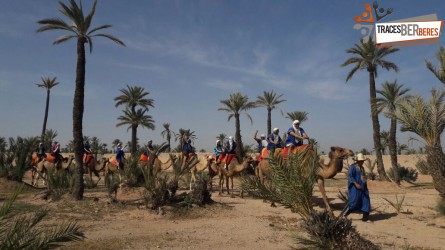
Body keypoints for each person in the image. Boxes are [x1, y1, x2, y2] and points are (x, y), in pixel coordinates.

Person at [340, 153, 371, 222]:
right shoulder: (353, 167)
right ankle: (344, 215)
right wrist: (356, 184)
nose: (362, 162)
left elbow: (364, 178)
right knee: (354, 202)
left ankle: (365, 218)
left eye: (363, 160)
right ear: (357, 161)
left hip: (363, 188)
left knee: (366, 201)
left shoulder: (362, 168)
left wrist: (366, 187)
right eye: (361, 160)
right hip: (355, 188)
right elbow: (350, 176)